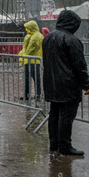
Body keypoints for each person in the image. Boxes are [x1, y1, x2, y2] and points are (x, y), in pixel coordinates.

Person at [42, 9, 89, 156]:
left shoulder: (48, 38)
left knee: (54, 114)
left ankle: (54, 144)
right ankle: (65, 146)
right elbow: (80, 65)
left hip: (51, 82)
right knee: (66, 116)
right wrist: (87, 84)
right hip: (68, 84)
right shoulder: (72, 40)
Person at [18, 20, 43, 101]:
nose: (26, 29)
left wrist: (23, 57)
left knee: (30, 79)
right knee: (35, 79)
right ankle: (35, 95)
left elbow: (30, 49)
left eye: (28, 28)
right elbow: (26, 48)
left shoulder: (35, 36)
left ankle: (30, 95)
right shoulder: (33, 35)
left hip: (32, 61)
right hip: (34, 61)